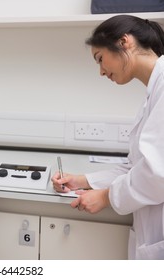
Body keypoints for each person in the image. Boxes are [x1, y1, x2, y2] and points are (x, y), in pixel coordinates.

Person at [52, 15, 164, 260]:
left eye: (100, 58)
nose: (101, 71)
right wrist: (81, 180)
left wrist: (105, 197)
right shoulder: (152, 96)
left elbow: (158, 174)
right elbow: (137, 168)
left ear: (124, 42)